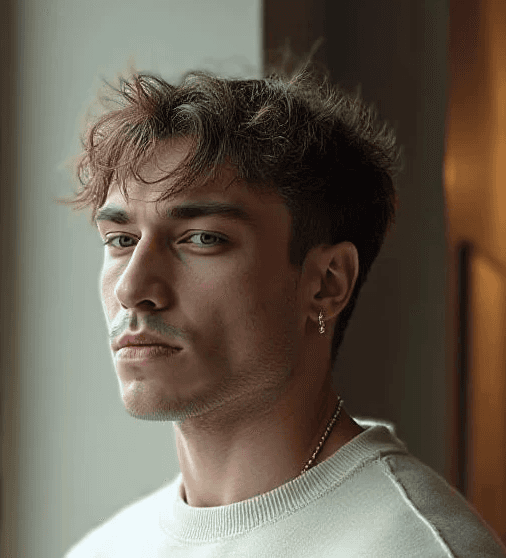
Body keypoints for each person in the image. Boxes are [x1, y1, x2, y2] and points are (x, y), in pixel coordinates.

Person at [59, 59, 506, 557]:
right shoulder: (104, 549)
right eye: (121, 239)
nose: (132, 288)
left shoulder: (416, 548)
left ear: (327, 283)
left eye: (202, 238)